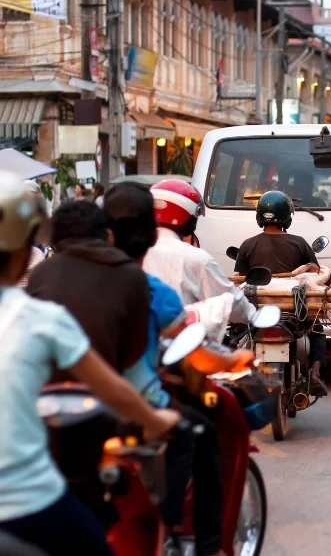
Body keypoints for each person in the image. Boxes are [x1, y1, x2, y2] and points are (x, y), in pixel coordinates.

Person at [0, 170, 179, 556]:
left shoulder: (42, 282)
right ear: (25, 246)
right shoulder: (39, 318)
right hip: (27, 501)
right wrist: (156, 421)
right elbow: (116, 387)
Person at [103, 183, 225, 556]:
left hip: (67, 405)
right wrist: (234, 361)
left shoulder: (49, 278)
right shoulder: (150, 289)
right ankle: (178, 533)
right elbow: (196, 352)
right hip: (132, 404)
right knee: (199, 433)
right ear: (152, 235)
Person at [26, 201, 150, 374]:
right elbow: (134, 352)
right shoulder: (133, 275)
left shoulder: (41, 273)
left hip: (44, 382)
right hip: (109, 380)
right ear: (109, 236)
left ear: (53, 241)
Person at [235, 190, 328, 396]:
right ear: (287, 216)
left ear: (259, 216)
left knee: (235, 333)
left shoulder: (248, 245)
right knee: (318, 331)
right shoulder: (299, 243)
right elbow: (315, 272)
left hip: (257, 308)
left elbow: (241, 279)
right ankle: (314, 374)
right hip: (293, 309)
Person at [142, 179, 257, 323]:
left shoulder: (130, 252)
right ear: (190, 220)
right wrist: (253, 315)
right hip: (181, 333)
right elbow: (230, 302)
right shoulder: (196, 259)